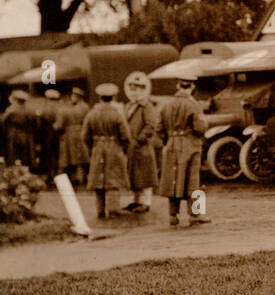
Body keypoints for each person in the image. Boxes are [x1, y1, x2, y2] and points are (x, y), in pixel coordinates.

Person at [158, 76, 211, 227]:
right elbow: (200, 128)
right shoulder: (193, 105)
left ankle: (172, 216)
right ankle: (195, 215)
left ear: (177, 86)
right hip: (190, 145)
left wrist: (168, 141)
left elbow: (159, 128)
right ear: (192, 86)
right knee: (193, 180)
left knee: (173, 180)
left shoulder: (166, 105)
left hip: (171, 145)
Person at [81, 83, 130, 220]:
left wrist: (92, 147)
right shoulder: (117, 115)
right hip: (114, 147)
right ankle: (113, 209)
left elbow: (85, 136)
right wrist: (123, 148)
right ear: (113, 97)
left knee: (99, 180)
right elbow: (125, 136)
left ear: (99, 97)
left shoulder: (91, 114)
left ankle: (100, 210)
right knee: (113, 179)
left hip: (97, 147)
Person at [122, 71, 160, 213]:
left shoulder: (146, 106)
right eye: (132, 89)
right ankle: (135, 201)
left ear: (144, 90)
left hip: (142, 147)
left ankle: (145, 202)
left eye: (137, 89)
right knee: (133, 176)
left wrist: (139, 140)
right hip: (132, 148)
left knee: (144, 176)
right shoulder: (129, 106)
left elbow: (151, 125)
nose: (134, 92)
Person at [53, 86, 91, 185]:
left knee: (69, 158)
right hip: (81, 134)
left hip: (68, 136)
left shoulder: (65, 109)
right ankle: (84, 178)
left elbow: (59, 125)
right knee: (82, 158)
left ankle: (71, 180)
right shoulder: (85, 107)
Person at [3, 90, 34, 169]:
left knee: (12, 153)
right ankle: (24, 168)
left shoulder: (11, 109)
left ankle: (12, 169)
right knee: (24, 153)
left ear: (15, 99)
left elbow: (3, 120)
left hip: (12, 133)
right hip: (25, 133)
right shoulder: (28, 110)